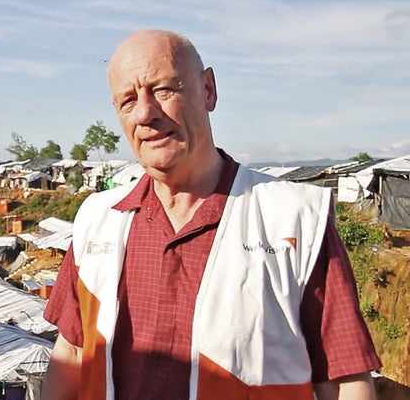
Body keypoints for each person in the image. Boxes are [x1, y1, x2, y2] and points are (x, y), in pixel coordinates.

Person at [41, 30, 381, 400]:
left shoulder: (294, 218)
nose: (145, 113)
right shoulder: (98, 218)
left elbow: (343, 379)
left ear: (208, 90)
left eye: (163, 90)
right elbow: (72, 351)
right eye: (127, 101)